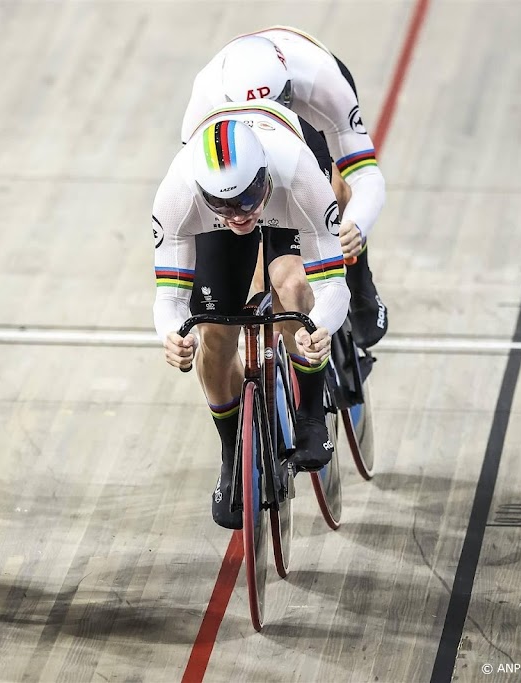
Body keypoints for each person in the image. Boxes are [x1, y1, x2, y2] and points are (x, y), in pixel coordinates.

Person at [153, 99, 350, 529]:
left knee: (294, 286)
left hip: (287, 201)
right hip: (232, 211)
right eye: (224, 205)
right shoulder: (179, 193)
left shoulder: (298, 176)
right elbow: (168, 297)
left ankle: (312, 415)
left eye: (245, 199)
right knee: (212, 334)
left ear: (261, 178)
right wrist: (171, 333)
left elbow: (334, 285)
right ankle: (231, 454)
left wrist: (321, 327)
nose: (239, 215)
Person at [181, 27, 388, 349]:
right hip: (240, 133)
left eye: (276, 102)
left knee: (334, 188)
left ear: (288, 87)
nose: (269, 115)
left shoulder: (322, 83)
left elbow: (365, 175)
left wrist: (355, 226)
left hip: (306, 114)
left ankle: (360, 279)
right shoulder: (205, 100)